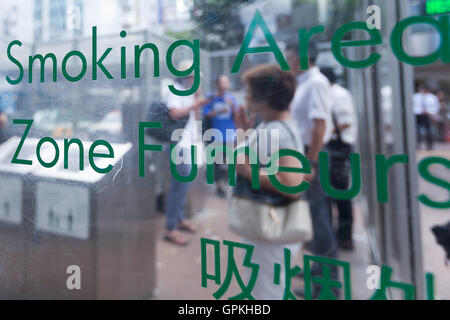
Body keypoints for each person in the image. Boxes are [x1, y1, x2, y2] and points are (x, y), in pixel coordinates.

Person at [233, 64, 305, 300]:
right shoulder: (270, 126)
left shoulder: (278, 131)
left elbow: (292, 184)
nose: (245, 96)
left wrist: (249, 172)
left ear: (265, 98)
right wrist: (243, 132)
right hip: (267, 228)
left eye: (249, 91)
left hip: (271, 232)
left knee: (266, 293)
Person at [286, 44, 339, 299]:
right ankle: (319, 276)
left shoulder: (316, 82)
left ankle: (326, 288)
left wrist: (310, 161)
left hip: (313, 153)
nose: (288, 60)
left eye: (289, 55)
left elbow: (319, 125)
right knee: (317, 219)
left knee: (320, 221)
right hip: (308, 152)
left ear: (300, 56)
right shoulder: (305, 82)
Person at [164, 60, 209, 246]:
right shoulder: (174, 89)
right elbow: (173, 113)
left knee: (183, 185)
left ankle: (180, 219)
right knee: (178, 187)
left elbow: (194, 118)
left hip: (187, 144)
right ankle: (171, 228)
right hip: (178, 145)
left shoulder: (188, 92)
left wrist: (196, 101)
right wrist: (194, 103)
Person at [321, 67, 357, 250]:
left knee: (340, 192)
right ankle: (336, 236)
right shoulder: (330, 94)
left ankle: (344, 236)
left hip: (338, 147)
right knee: (330, 192)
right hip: (332, 147)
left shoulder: (339, 95)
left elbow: (345, 122)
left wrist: (323, 133)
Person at [203, 75, 239, 198]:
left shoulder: (231, 98)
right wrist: (218, 111)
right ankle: (219, 187)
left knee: (231, 161)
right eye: (223, 83)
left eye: (227, 83)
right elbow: (206, 113)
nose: (225, 85)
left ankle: (231, 186)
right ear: (217, 85)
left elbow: (238, 115)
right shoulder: (211, 98)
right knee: (217, 163)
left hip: (230, 136)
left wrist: (232, 106)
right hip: (216, 136)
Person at [413, 84, 440, 150]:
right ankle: (417, 145)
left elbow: (436, 107)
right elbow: (412, 106)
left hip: (428, 115)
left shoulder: (432, 97)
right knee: (416, 131)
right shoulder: (415, 97)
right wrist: (419, 111)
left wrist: (429, 112)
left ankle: (429, 146)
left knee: (429, 131)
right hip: (418, 115)